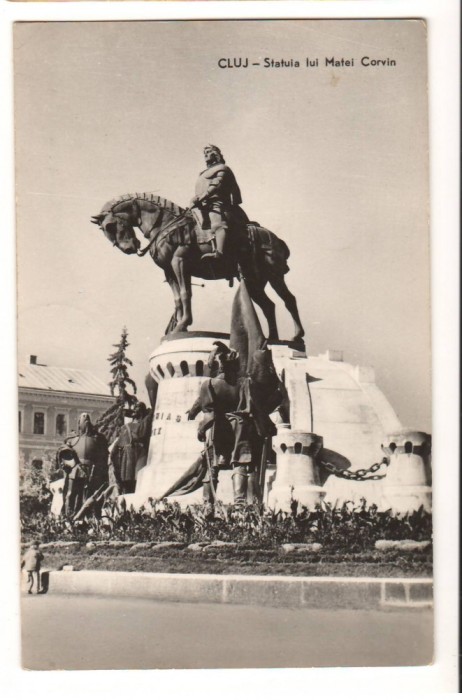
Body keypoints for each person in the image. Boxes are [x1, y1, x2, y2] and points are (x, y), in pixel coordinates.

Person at [187, 341, 261, 507]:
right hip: (241, 428)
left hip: (219, 428)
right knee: (240, 464)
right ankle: (239, 506)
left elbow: (210, 416)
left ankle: (208, 507)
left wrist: (200, 429)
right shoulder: (245, 383)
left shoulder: (209, 384)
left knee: (212, 467)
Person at [190, 145, 248, 261]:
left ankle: (219, 252)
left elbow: (216, 184)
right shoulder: (203, 173)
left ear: (215, 154)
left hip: (217, 203)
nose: (205, 154)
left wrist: (203, 196)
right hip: (202, 205)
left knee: (216, 221)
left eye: (208, 151)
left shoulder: (222, 168)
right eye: (204, 153)